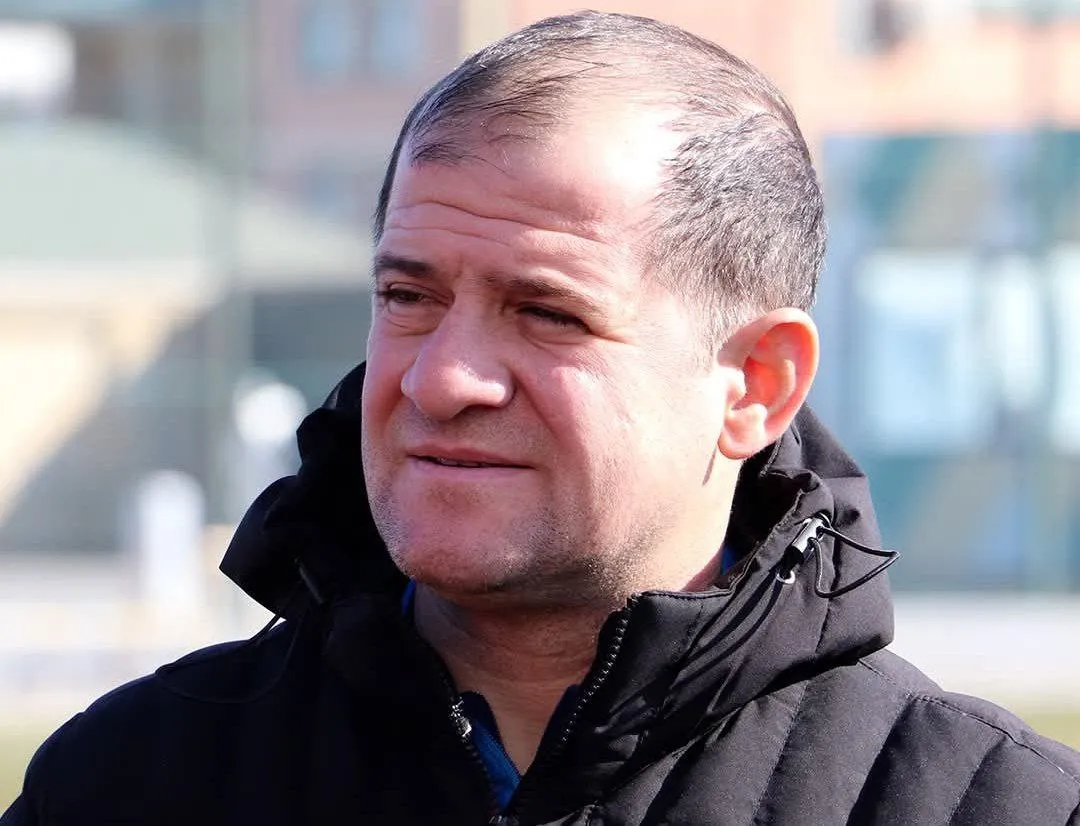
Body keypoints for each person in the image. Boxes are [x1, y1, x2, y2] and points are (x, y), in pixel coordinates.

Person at [4, 10, 1079, 825]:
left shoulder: (988, 805)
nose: (441, 379)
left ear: (756, 382)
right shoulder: (129, 783)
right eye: (408, 296)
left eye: (547, 312)